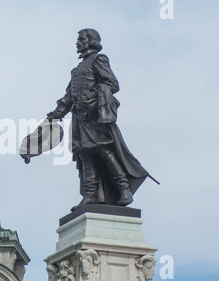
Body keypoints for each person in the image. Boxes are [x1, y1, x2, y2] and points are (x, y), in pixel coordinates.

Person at [46, 28, 150, 211]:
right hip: (78, 117)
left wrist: (92, 95)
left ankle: (124, 189)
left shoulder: (98, 59)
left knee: (103, 149)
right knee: (85, 155)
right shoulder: (76, 70)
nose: (77, 43)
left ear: (91, 41)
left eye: (81, 39)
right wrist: (56, 114)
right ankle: (90, 195)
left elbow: (112, 84)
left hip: (93, 114)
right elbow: (68, 97)